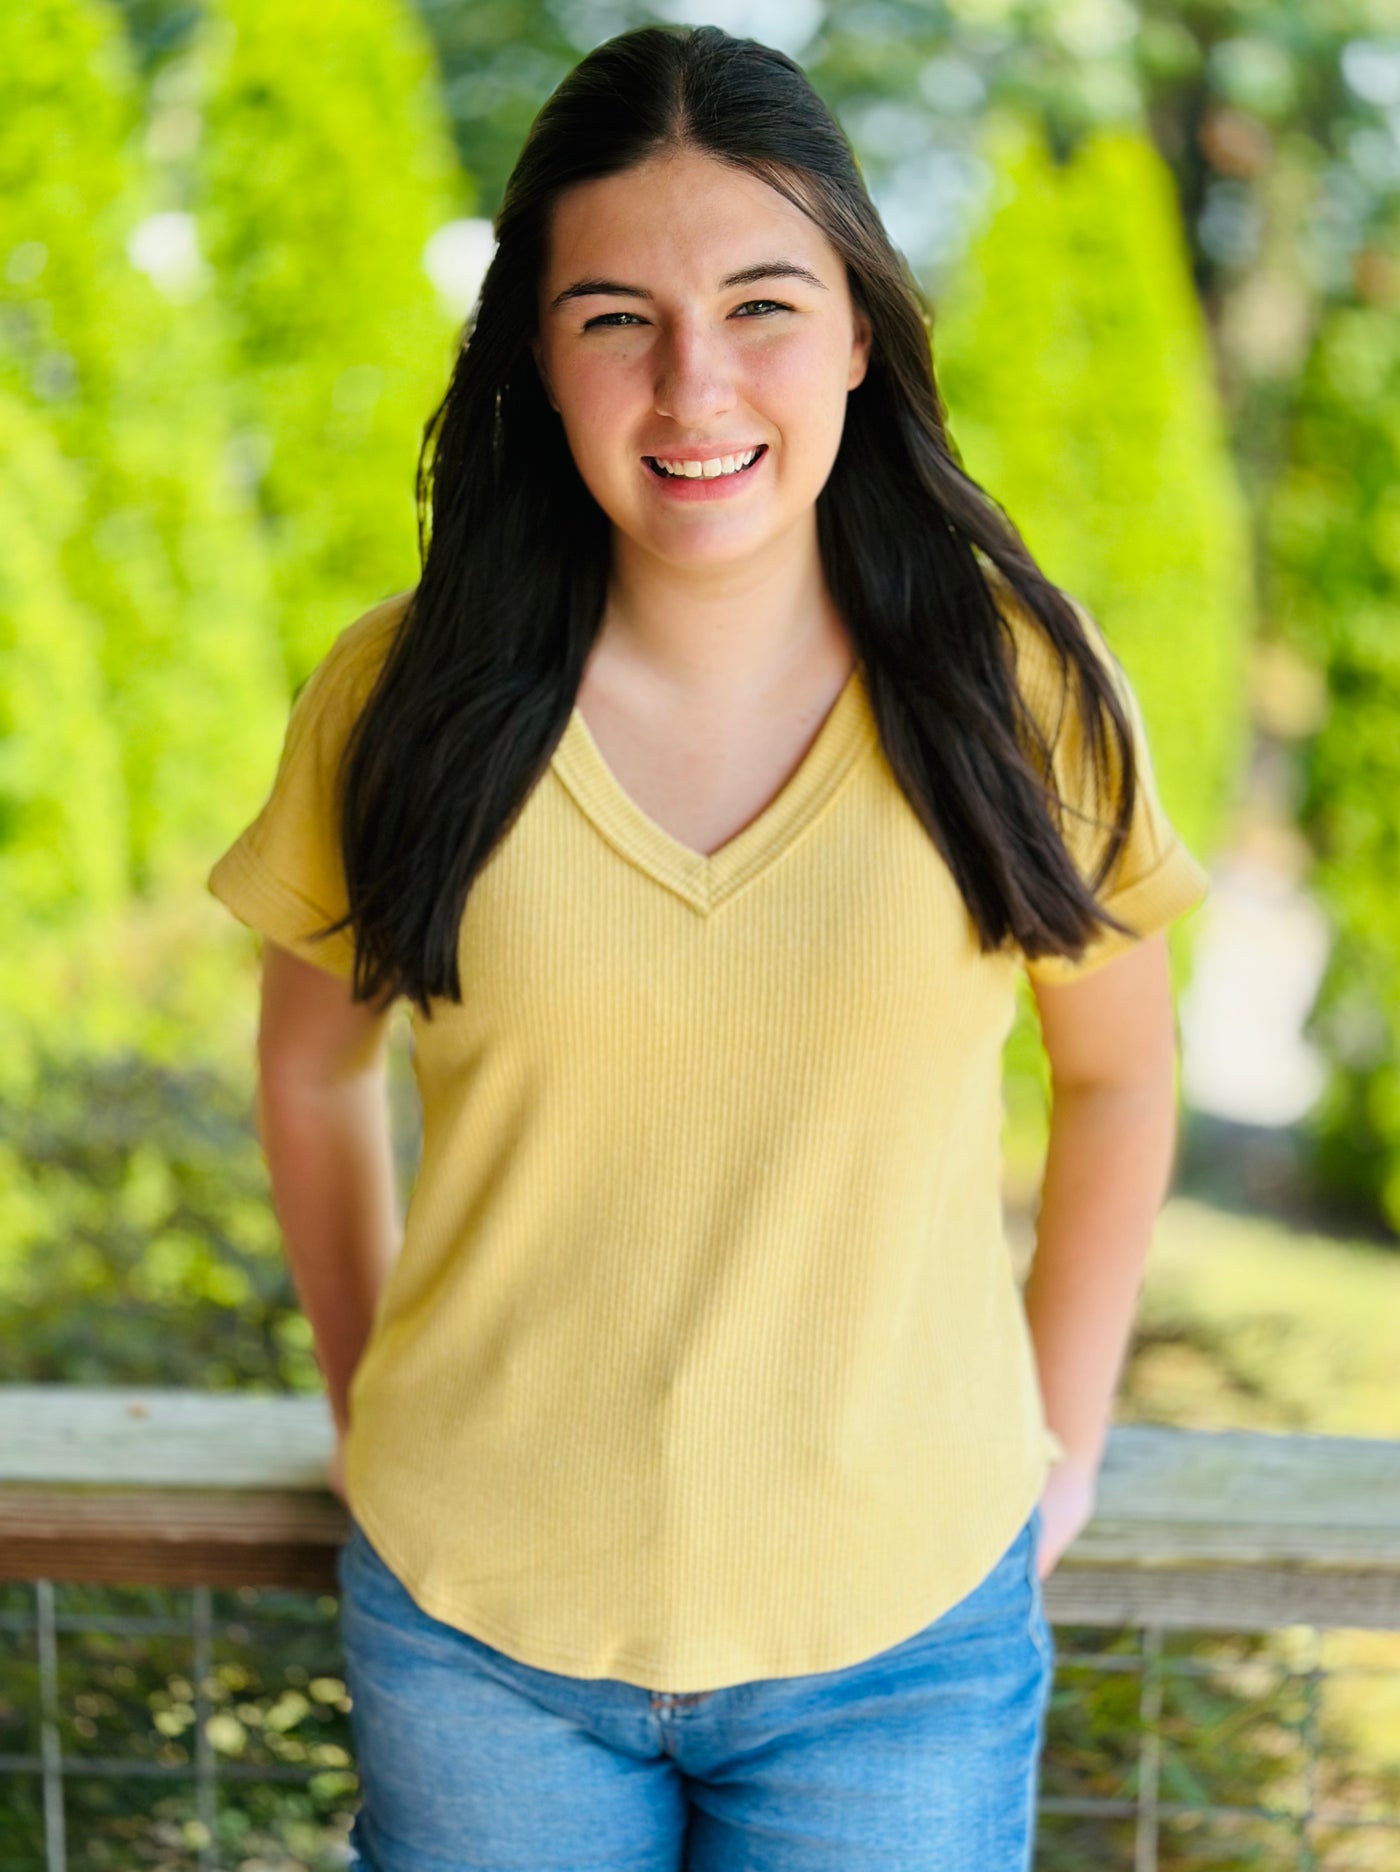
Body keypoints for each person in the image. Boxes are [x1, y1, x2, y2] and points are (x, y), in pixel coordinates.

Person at [208, 22, 1209, 1872]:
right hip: (475, 1635)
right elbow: (308, 1060)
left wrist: (1063, 1446)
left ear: (855, 330)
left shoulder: (1016, 693)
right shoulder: (398, 696)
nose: (694, 385)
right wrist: (372, 1410)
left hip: (903, 1634)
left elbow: (1122, 1069)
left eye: (762, 302)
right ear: (536, 351)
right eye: (615, 319)